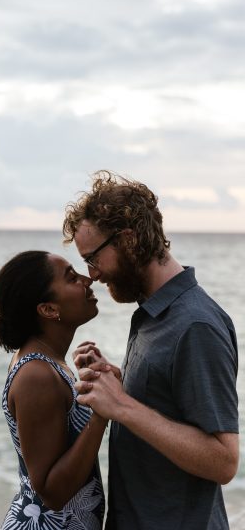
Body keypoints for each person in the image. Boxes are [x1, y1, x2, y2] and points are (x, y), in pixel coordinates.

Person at [62, 171, 239, 530]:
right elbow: (171, 405)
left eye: (93, 259)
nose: (92, 275)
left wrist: (122, 406)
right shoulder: (153, 312)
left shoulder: (195, 325)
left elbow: (223, 461)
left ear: (127, 240)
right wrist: (120, 383)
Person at [0, 250, 119, 530]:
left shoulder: (51, 363)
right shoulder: (37, 375)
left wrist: (94, 383)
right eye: (72, 277)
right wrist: (101, 413)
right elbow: (52, 493)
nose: (88, 280)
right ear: (48, 309)